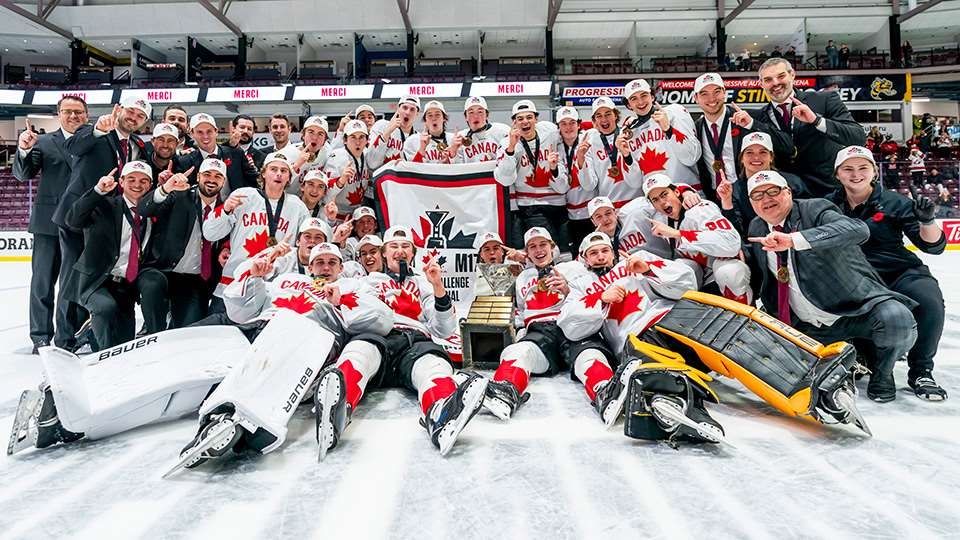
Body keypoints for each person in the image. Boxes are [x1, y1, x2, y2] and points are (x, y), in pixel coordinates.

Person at [172, 242, 394, 473]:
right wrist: (253, 279)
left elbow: (382, 320)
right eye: (320, 262)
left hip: (312, 339)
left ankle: (239, 427)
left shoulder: (352, 286)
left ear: (341, 268)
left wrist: (343, 301)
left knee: (273, 365)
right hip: (262, 327)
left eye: (332, 263)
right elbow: (240, 312)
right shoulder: (284, 281)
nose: (326, 267)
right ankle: (219, 423)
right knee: (236, 364)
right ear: (310, 267)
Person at [743, 169, 918, 402]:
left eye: (773, 191)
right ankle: (844, 359)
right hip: (804, 324)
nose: (766, 199)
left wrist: (795, 240)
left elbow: (857, 230)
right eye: (758, 195)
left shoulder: (815, 209)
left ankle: (883, 373)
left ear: (788, 192)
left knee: (897, 320)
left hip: (852, 310)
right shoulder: (756, 227)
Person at [314, 226, 489, 457]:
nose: (400, 251)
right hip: (380, 336)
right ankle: (336, 408)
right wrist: (338, 296)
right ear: (384, 253)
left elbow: (444, 329)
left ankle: (442, 413)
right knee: (358, 350)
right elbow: (342, 291)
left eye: (405, 246)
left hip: (415, 341)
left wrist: (437, 286)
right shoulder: (369, 280)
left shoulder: (424, 283)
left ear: (413, 253)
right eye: (394, 247)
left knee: (434, 366)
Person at [826, 146, 948, 400]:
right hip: (854, 278)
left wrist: (927, 221)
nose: (856, 174)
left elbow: (933, 246)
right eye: (848, 169)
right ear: (837, 174)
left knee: (929, 300)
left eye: (863, 168)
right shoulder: (827, 204)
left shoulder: (895, 202)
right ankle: (863, 357)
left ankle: (921, 371)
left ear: (873, 171)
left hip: (900, 271)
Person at [558, 231, 699, 425]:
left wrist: (648, 270)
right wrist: (600, 298)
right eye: (593, 253)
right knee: (668, 377)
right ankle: (691, 410)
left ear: (613, 253)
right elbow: (569, 325)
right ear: (585, 259)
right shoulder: (580, 285)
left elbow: (687, 282)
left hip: (668, 325)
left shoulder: (636, 259)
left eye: (604, 251)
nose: (600, 256)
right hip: (636, 343)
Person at [484, 227, 619, 422]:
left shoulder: (575, 268)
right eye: (532, 247)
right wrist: (522, 331)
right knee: (518, 352)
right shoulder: (523, 276)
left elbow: (591, 295)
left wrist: (567, 290)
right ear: (527, 253)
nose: (538, 250)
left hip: (572, 326)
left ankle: (606, 393)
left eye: (543, 245)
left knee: (591, 356)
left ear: (552, 247)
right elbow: (521, 311)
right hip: (540, 332)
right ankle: (505, 391)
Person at [56, 96, 152, 351]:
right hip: (80, 214)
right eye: (130, 112)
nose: (133, 118)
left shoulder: (135, 146)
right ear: (119, 110)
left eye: (140, 116)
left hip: (108, 219)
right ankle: (65, 340)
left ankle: (92, 331)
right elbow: (72, 147)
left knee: (100, 279)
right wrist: (99, 129)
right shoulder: (93, 130)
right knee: (72, 278)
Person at [13, 96, 87, 353]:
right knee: (42, 283)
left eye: (78, 112)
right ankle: (41, 336)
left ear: (86, 115)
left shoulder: (95, 142)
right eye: (68, 111)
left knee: (71, 285)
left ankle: (68, 337)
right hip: (47, 225)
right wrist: (23, 149)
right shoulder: (42, 142)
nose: (74, 116)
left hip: (79, 225)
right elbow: (23, 174)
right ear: (59, 114)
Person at [742, 58, 866, 197]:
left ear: (792, 75)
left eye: (781, 76)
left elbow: (858, 137)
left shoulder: (824, 99)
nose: (775, 83)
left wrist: (816, 120)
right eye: (768, 79)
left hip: (828, 192)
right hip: (785, 196)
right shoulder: (759, 118)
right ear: (761, 84)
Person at [203, 152, 309, 313]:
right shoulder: (244, 196)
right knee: (216, 334)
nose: (278, 174)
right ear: (264, 173)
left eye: (284, 170)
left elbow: (307, 246)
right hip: (233, 283)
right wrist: (225, 210)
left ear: (289, 177)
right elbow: (210, 234)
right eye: (273, 169)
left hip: (272, 289)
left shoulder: (298, 207)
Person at [65, 161, 155, 350]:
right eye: (131, 179)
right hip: (95, 280)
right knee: (105, 309)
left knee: (124, 344)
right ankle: (104, 358)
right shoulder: (105, 205)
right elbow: (72, 219)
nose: (137, 184)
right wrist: (97, 191)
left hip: (126, 286)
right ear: (121, 181)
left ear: (150, 185)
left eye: (143, 180)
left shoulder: (152, 212)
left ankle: (92, 332)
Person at [138, 158, 226, 333]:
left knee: (188, 333)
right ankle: (151, 331)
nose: (211, 179)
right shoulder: (179, 195)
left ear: (224, 181)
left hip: (194, 280)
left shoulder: (226, 209)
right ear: (199, 176)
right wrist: (165, 189)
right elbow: (144, 210)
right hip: (161, 270)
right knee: (152, 287)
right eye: (207, 174)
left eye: (217, 176)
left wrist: (226, 248)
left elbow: (228, 239)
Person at [642, 173, 752, 303]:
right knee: (676, 268)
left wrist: (678, 234)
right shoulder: (660, 220)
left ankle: (747, 316)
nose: (662, 202)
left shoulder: (699, 210)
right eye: (655, 200)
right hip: (702, 276)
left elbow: (731, 243)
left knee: (728, 272)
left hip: (727, 267)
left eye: (664, 194)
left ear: (677, 192)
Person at [693, 73, 788, 203]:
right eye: (704, 94)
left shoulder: (749, 117)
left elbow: (786, 147)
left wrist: (752, 124)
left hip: (751, 196)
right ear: (696, 98)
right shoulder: (695, 128)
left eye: (716, 92)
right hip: (715, 197)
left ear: (724, 93)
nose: (712, 98)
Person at [494, 100, 568, 248]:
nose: (525, 122)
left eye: (529, 117)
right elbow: (504, 180)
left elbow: (571, 129)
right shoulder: (507, 143)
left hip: (560, 203)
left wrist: (554, 169)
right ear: (514, 122)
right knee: (551, 250)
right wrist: (511, 149)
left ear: (536, 119)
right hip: (531, 206)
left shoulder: (551, 133)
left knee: (565, 251)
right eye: (520, 119)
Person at [715, 131, 808, 236]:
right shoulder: (733, 191)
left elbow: (807, 216)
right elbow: (735, 234)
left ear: (771, 157)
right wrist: (727, 201)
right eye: (749, 152)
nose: (756, 157)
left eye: (763, 152)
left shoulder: (793, 182)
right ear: (741, 158)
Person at [620, 78, 701, 189]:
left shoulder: (673, 112)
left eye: (644, 95)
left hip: (689, 192)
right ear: (629, 105)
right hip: (656, 199)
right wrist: (627, 157)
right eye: (634, 98)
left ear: (652, 97)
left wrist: (668, 129)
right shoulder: (630, 133)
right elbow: (635, 184)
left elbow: (692, 157)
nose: (640, 102)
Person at [174, 113, 259, 198]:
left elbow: (253, 181)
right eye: (200, 132)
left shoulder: (236, 154)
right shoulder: (184, 162)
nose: (205, 136)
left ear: (216, 131)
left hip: (236, 208)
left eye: (209, 131)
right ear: (192, 133)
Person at [324, 120, 371, 221]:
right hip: (336, 216)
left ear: (367, 140)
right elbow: (325, 191)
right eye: (353, 137)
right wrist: (341, 180)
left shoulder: (368, 155)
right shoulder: (336, 157)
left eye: (361, 137)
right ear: (345, 140)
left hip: (358, 216)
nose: (358, 142)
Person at [450, 96, 510, 164]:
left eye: (480, 112)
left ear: (487, 115)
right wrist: (453, 152)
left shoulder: (503, 131)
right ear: (465, 117)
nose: (476, 116)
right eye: (471, 112)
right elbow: (457, 168)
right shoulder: (459, 138)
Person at [289, 115, 331, 192]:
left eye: (320, 134)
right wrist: (296, 166)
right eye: (311, 132)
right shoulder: (289, 153)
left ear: (325, 140)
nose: (315, 138)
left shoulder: (327, 151)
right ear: (303, 135)